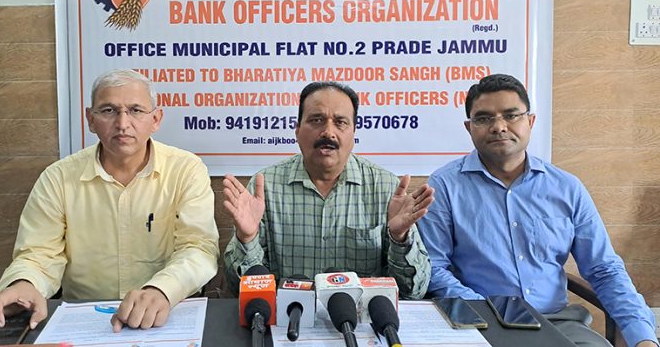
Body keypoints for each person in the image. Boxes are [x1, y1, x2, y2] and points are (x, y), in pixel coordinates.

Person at [0, 69, 219, 336]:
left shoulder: (185, 170)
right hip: (84, 317)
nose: (123, 123)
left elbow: (198, 247)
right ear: (90, 119)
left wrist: (161, 290)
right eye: (109, 111)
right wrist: (24, 284)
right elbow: (38, 254)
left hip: (166, 313)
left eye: (135, 110)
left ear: (156, 119)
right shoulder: (59, 178)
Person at [417, 74, 658, 347]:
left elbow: (604, 269)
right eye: (484, 118)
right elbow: (433, 267)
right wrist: (485, 309)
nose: (499, 127)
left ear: (530, 122)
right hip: (480, 321)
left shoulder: (566, 187)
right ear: (469, 127)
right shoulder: (445, 185)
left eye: (511, 115)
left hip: (557, 321)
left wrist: (643, 336)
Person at [222, 81, 433, 299]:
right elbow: (238, 286)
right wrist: (247, 239)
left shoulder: (386, 188)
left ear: (353, 133)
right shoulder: (264, 188)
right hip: (288, 322)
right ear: (297, 129)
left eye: (340, 122)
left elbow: (414, 291)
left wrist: (399, 237)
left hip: (362, 324)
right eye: (316, 120)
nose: (328, 132)